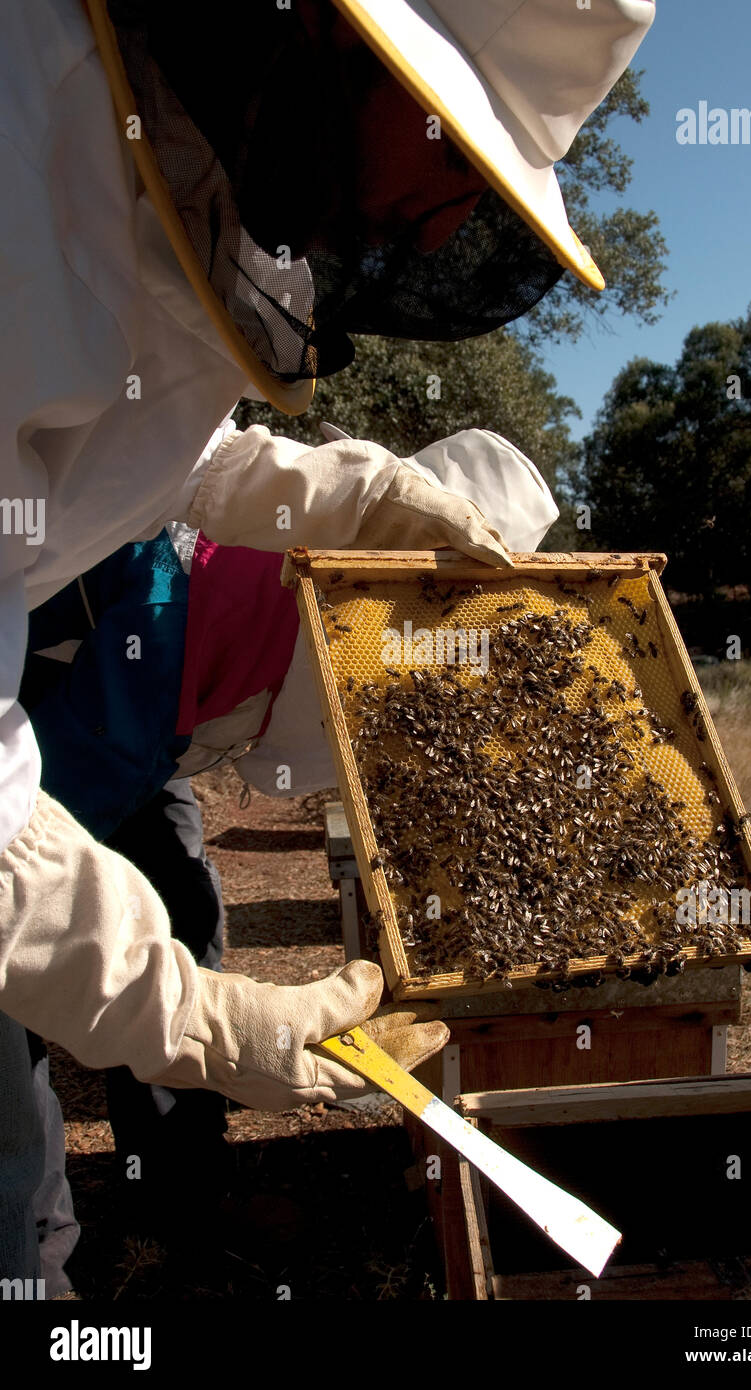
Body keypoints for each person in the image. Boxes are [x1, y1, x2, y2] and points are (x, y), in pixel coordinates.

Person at [0, 0, 656, 1291]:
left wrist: (356, 496)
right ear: (339, 40)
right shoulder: (28, 166)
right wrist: (179, 1005)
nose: (457, 227)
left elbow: (134, 449)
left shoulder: (155, 158)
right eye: (459, 159)